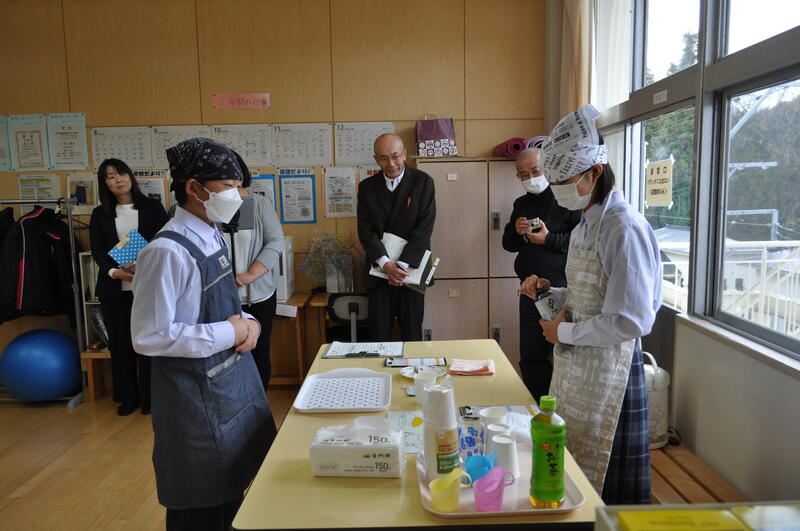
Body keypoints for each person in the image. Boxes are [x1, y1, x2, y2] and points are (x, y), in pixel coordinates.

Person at [131, 138, 277, 530]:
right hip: (192, 402)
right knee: (202, 505)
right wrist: (230, 331)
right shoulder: (166, 251)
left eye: (240, 186)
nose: (238, 195)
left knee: (231, 497)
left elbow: (223, 303)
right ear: (194, 188)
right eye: (229, 186)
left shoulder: (211, 233)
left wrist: (250, 323)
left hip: (227, 388)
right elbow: (148, 335)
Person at [519, 105, 661, 505]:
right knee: (575, 463)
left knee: (609, 474)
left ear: (594, 172)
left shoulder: (623, 227)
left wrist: (561, 331)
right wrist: (548, 292)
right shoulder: (586, 222)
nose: (557, 189)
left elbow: (632, 320)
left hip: (611, 371)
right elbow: (590, 296)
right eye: (554, 181)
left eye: (564, 180)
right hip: (578, 367)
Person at [89, 158, 168, 416]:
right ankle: (127, 397)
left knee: (149, 343)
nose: (118, 179)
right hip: (114, 290)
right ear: (105, 184)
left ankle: (151, 397)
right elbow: (98, 250)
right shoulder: (99, 214)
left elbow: (165, 243)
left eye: (121, 173)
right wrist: (115, 272)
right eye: (110, 176)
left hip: (148, 288)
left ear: (130, 177)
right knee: (121, 345)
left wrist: (143, 264)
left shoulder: (153, 207)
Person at [502, 147, 581, 400]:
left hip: (560, 288)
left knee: (563, 351)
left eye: (535, 171)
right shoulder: (521, 203)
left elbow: (580, 242)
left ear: (547, 167)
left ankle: (560, 406)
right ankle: (534, 405)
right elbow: (508, 244)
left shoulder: (568, 199)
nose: (531, 178)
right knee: (531, 353)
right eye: (524, 175)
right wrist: (516, 230)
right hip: (529, 290)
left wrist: (548, 239)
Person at [357, 133, 436, 341]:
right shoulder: (366, 187)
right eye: (384, 158)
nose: (391, 164)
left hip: (411, 272)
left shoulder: (423, 182)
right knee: (378, 337)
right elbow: (365, 231)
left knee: (412, 335)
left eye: (395, 156)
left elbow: (424, 228)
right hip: (378, 272)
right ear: (376, 159)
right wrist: (386, 265)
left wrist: (400, 267)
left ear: (404, 154)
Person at [220, 174, 285, 390]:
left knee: (258, 351)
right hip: (221, 295)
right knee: (225, 354)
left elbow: (275, 242)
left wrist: (249, 275)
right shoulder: (209, 207)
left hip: (257, 294)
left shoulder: (259, 204)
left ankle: (259, 401)